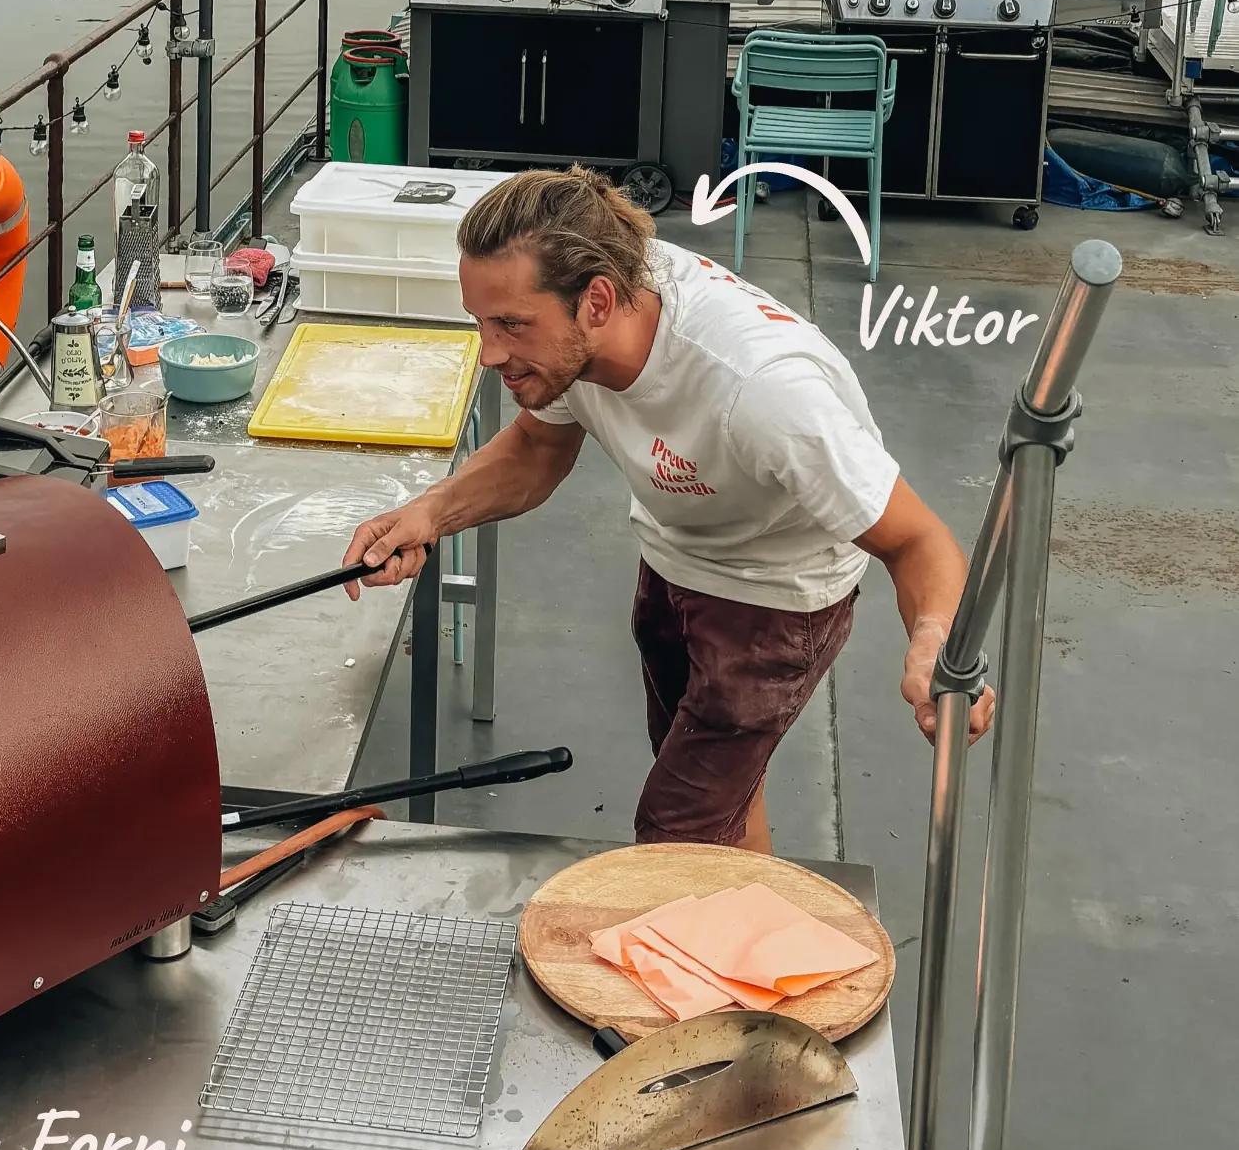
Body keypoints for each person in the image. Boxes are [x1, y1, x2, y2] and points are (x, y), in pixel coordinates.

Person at [343, 168, 994, 853]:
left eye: (511, 324)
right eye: (481, 322)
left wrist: (935, 646)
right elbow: (538, 448)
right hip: (675, 556)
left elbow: (918, 539)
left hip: (774, 599)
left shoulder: (764, 391)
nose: (490, 353)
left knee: (679, 841)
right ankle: (752, 939)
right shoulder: (583, 315)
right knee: (724, 805)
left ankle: (727, 951)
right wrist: (430, 513)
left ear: (596, 302)